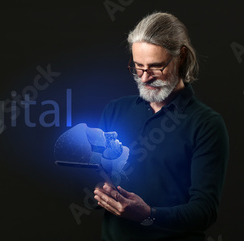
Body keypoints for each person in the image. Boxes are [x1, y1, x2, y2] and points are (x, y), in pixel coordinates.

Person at [94, 12, 229, 241]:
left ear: (181, 57)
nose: (145, 78)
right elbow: (92, 176)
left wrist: (149, 215)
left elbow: (205, 211)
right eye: (138, 66)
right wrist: (98, 189)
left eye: (156, 67)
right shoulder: (115, 110)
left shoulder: (206, 124)